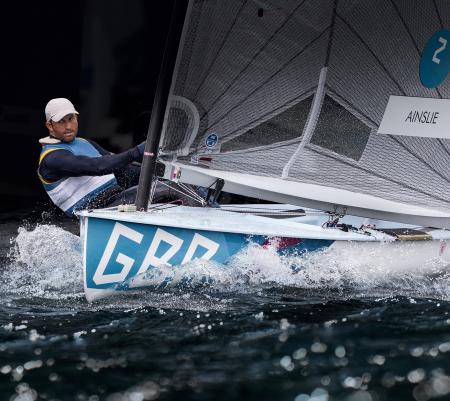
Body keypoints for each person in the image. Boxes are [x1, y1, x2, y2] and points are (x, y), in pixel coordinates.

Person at [37, 98, 150, 216]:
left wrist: (154, 174)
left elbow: (122, 167)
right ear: (50, 126)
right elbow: (97, 166)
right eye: (61, 121)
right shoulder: (51, 158)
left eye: (71, 119)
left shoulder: (85, 142)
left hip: (116, 202)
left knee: (163, 186)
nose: (69, 126)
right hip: (93, 215)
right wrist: (137, 151)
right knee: (161, 191)